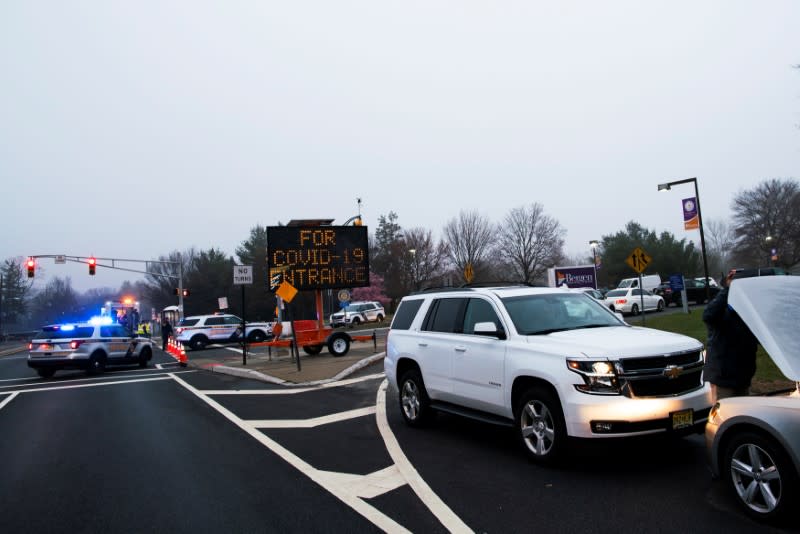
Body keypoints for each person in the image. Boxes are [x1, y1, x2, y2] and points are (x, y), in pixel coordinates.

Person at [702, 269, 759, 401]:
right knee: (726, 416)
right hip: (724, 377)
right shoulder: (722, 307)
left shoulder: (748, 309)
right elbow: (708, 315)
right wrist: (729, 289)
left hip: (743, 376)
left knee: (743, 416)